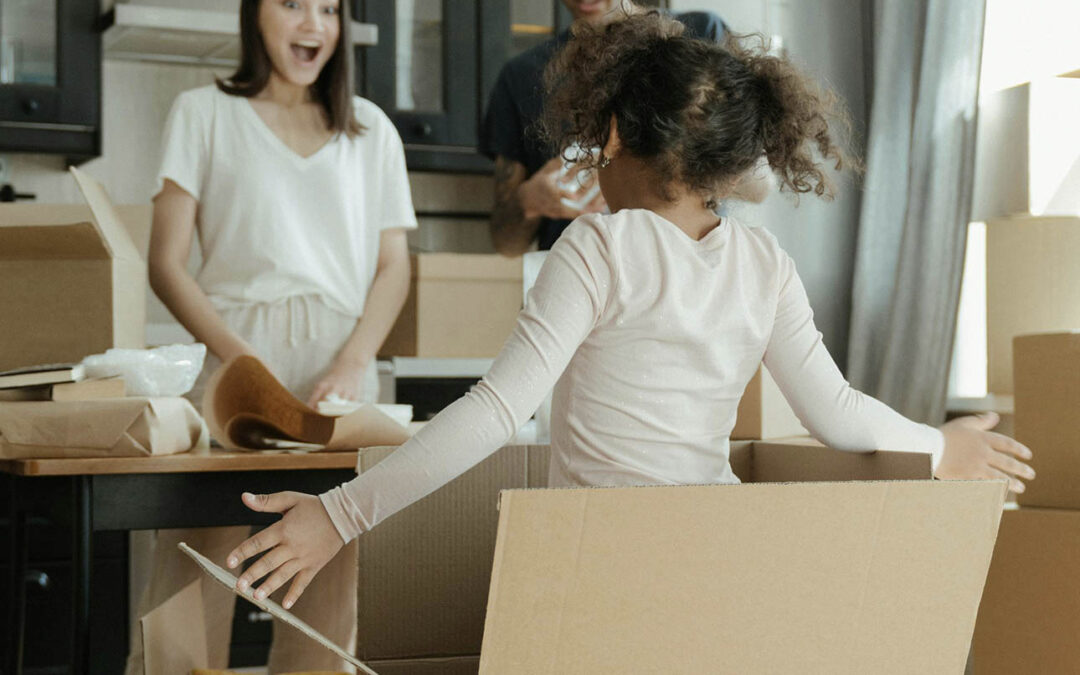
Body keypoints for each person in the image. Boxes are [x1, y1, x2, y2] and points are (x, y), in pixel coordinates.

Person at [223, 12, 1034, 614]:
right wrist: (942, 443)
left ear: (610, 133)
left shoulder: (597, 250)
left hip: (599, 571)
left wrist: (336, 516)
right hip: (720, 568)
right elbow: (841, 414)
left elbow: (497, 413)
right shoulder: (764, 264)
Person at [128, 0, 416, 672]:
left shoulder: (371, 129)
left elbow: (395, 265)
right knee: (190, 590)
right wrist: (241, 359)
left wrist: (354, 357)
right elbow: (165, 262)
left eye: (329, 8)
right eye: (293, 4)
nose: (313, 24)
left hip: (337, 380)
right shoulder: (202, 113)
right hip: (234, 366)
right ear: (256, 14)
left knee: (327, 611)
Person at [481, 1, 728, 256]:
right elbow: (505, 244)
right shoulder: (521, 75)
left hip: (691, 270)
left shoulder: (702, 35)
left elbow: (757, 181)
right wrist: (529, 199)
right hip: (577, 278)